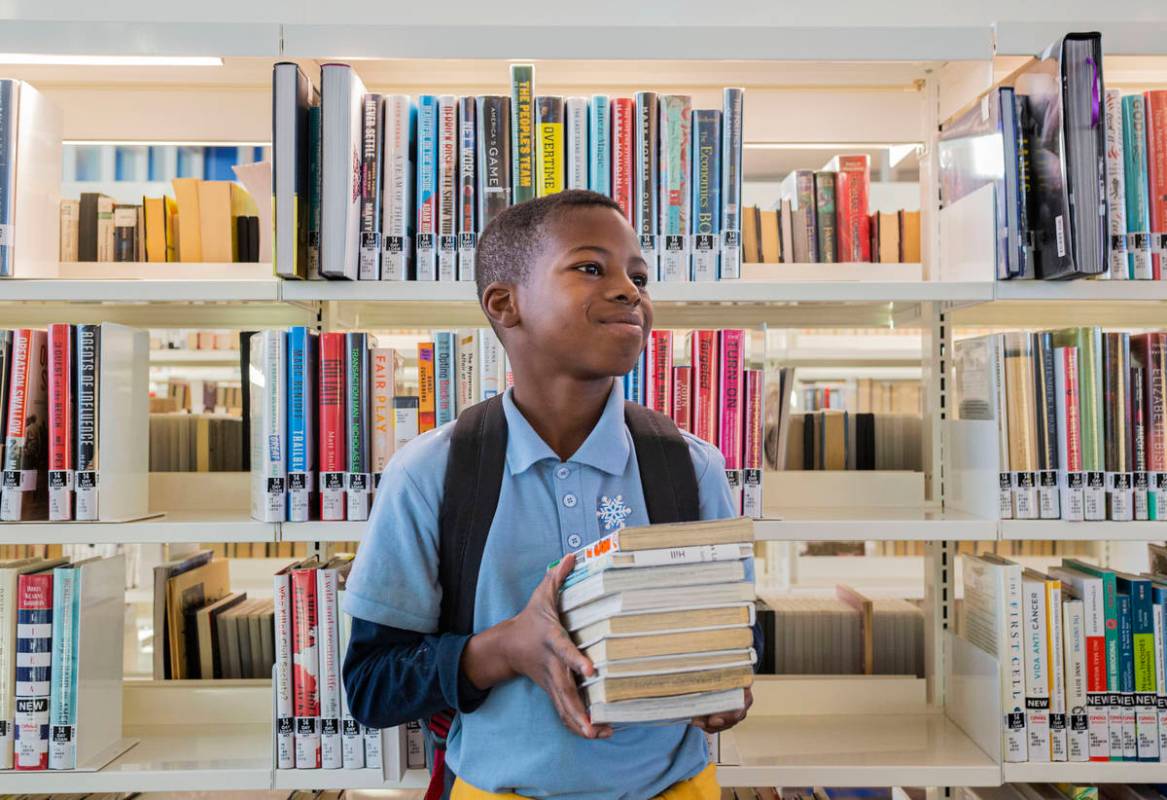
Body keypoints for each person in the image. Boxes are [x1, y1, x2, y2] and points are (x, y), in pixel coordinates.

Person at [343, 190, 754, 800]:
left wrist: (724, 684)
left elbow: (738, 635)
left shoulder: (689, 467)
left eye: (639, 276)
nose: (628, 290)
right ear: (505, 304)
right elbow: (373, 686)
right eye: (591, 267)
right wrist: (503, 649)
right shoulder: (430, 473)